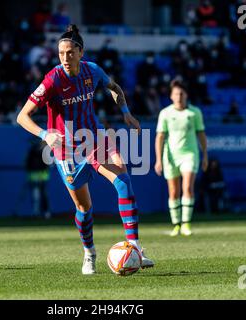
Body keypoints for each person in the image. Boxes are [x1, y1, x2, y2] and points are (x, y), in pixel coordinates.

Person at [17, 25, 154, 275]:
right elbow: (22, 116)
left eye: (70, 52)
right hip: (67, 150)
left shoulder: (92, 70)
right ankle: (89, 253)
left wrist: (126, 114)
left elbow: (115, 88)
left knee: (123, 182)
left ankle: (134, 247)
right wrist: (45, 134)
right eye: (61, 53)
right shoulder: (52, 80)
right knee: (83, 208)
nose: (65, 58)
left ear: (81, 52)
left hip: (94, 139)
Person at [155, 79, 208, 237]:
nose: (179, 96)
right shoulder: (165, 113)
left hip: (189, 154)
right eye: (176, 93)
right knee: (173, 191)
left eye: (181, 93)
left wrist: (205, 155)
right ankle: (176, 224)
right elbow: (160, 137)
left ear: (186, 95)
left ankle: (186, 224)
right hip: (170, 156)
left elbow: (201, 135)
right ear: (171, 96)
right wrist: (158, 159)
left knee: (187, 188)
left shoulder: (194, 113)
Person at [25, 140, 51, 219]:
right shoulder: (32, 151)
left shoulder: (45, 152)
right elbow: (28, 163)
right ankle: (36, 212)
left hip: (42, 176)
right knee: (35, 195)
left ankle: (46, 213)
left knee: (43, 195)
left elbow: (47, 164)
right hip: (34, 176)